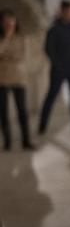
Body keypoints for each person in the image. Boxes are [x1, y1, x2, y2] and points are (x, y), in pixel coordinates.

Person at [38, 0, 70, 135]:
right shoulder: (54, 30)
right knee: (51, 96)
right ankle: (42, 126)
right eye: (67, 11)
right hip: (58, 70)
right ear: (61, 12)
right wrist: (58, 64)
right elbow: (49, 49)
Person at [0, 10, 32, 151]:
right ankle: (7, 142)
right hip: (2, 77)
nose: (9, 23)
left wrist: (6, 57)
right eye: (6, 21)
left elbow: (21, 55)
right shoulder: (2, 37)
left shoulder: (21, 37)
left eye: (11, 20)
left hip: (19, 77)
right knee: (3, 112)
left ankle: (26, 141)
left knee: (22, 110)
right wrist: (6, 38)